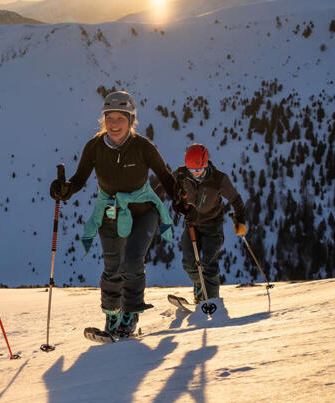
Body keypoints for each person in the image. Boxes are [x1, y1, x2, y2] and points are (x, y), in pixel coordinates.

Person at [50, 91, 182, 337]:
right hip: (110, 211)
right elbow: (78, 180)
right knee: (112, 268)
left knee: (132, 261)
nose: (113, 124)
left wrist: (181, 201)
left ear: (131, 120)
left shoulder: (143, 147)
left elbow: (166, 177)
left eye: (120, 118)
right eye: (109, 118)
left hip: (144, 212)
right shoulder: (94, 147)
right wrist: (64, 190)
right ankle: (112, 316)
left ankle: (130, 314)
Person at [174, 143, 247, 304]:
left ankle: (212, 302)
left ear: (205, 163)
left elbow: (235, 199)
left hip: (213, 226)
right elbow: (163, 187)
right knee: (189, 264)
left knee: (209, 264)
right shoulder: (181, 174)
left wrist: (241, 221)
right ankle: (201, 287)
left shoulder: (219, 179)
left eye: (198, 170)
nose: (194, 173)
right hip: (191, 225)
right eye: (191, 170)